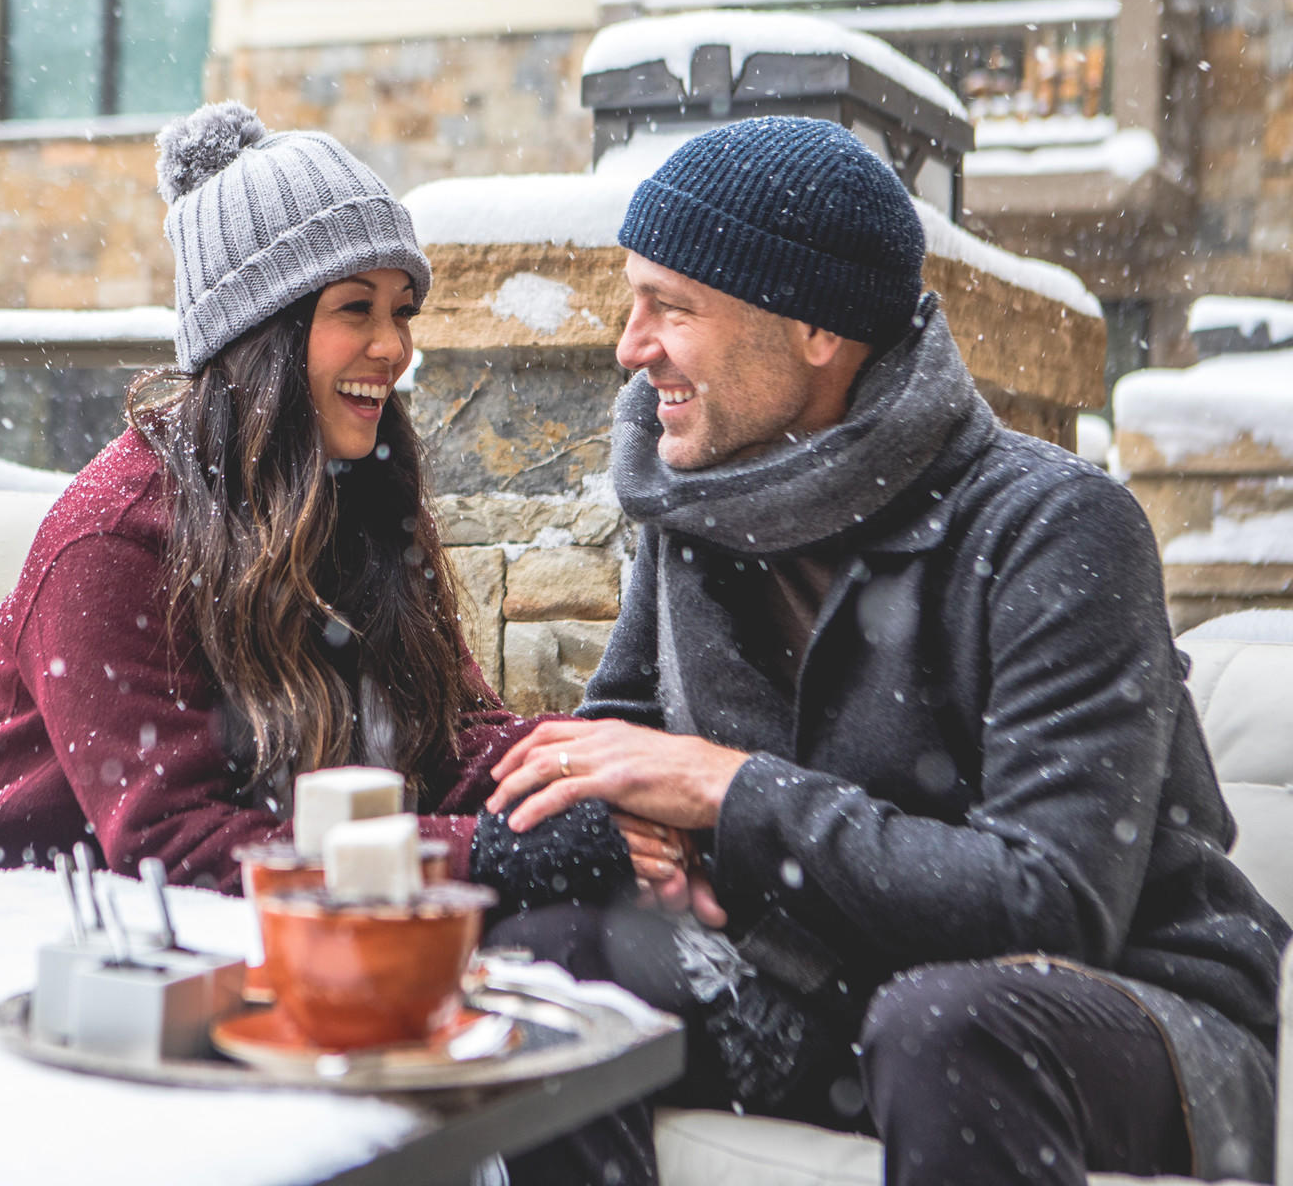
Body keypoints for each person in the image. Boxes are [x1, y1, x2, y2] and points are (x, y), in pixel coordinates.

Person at [484, 117, 1289, 1186]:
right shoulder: (694, 504)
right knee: (550, 968)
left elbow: (1052, 901)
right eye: (635, 301)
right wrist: (619, 832)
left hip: (1124, 1014)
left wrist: (732, 793)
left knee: (943, 1026)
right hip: (820, 988)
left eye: (672, 307)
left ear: (817, 328)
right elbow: (609, 750)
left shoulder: (1055, 526)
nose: (631, 346)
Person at [0, 102, 636, 909]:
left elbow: (452, 741)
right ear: (263, 335)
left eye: (402, 311)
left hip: (232, 937)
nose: (394, 347)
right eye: (356, 308)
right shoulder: (115, 537)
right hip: (6, 930)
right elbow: (175, 845)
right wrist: (487, 853)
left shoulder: (361, 496)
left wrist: (608, 781)